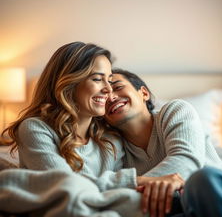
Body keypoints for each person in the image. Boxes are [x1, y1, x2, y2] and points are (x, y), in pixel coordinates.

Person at [1, 42, 180, 217]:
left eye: (109, 81)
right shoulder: (35, 128)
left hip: (95, 206)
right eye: (97, 79)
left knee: (136, 200)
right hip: (63, 207)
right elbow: (64, 185)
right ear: (68, 83)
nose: (108, 90)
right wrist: (136, 180)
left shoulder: (110, 139)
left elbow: (109, 195)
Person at [104, 68, 222, 217]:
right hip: (182, 206)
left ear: (144, 93)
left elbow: (186, 163)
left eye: (117, 87)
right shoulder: (112, 145)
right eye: (103, 96)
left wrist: (137, 186)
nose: (111, 97)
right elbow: (98, 189)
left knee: (201, 179)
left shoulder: (175, 110)